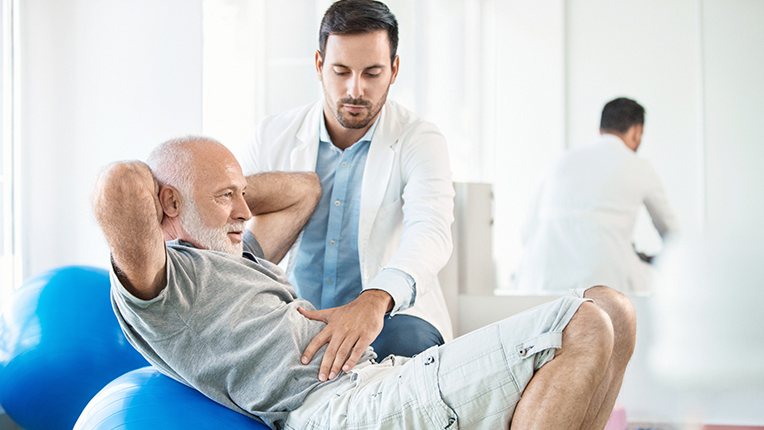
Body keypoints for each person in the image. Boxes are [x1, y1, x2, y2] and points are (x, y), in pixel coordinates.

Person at [93, 136, 636, 430]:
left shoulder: (241, 257)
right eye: (225, 197)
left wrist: (222, 194)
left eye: (242, 195)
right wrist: (178, 189)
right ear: (166, 202)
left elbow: (304, 190)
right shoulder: (166, 288)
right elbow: (120, 186)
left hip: (378, 380)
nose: (243, 211)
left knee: (613, 309)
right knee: (583, 325)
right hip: (332, 410)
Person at [239, 0, 455, 366]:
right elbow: (230, 223)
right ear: (320, 64)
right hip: (294, 318)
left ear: (394, 69)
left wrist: (376, 298)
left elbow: (430, 232)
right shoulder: (272, 135)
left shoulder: (419, 138)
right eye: (341, 71)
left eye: (372, 73)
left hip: (389, 318)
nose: (356, 90)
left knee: (404, 345)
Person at [515, 97, 679, 295]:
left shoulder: (560, 161)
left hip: (541, 282)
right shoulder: (640, 167)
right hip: (604, 284)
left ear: (600, 129)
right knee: (661, 283)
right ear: (637, 132)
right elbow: (672, 235)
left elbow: (526, 231)